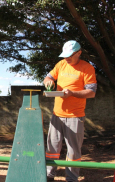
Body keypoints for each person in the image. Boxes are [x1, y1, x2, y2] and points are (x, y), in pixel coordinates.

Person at [44, 40, 97, 182]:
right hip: (57, 114)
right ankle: (49, 176)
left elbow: (91, 92)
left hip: (75, 116)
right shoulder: (61, 64)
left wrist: (72, 93)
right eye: (65, 55)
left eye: (70, 55)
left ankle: (71, 179)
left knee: (73, 150)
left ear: (78, 53)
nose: (66, 58)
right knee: (52, 148)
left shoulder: (87, 68)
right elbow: (48, 77)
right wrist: (49, 81)